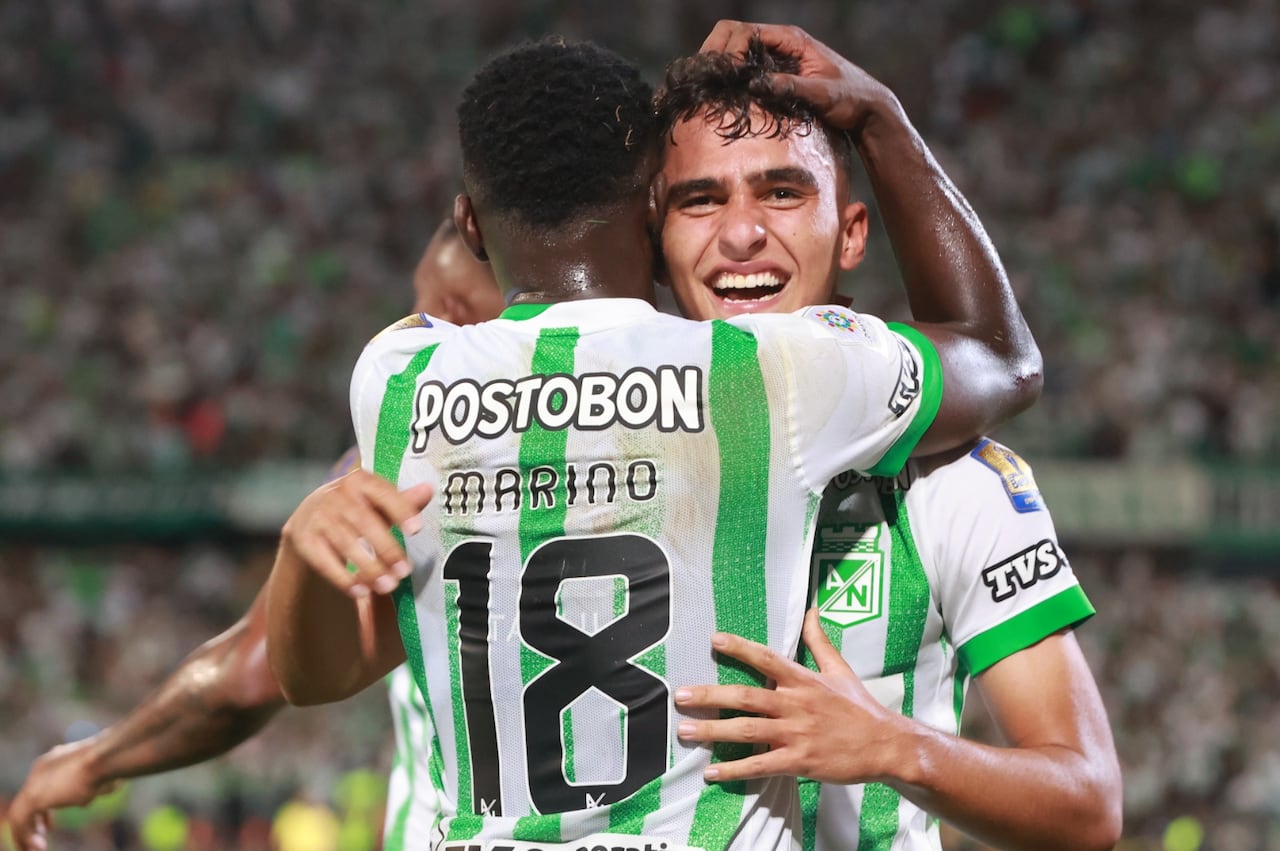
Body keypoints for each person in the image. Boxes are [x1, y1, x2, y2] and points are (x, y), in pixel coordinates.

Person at [264, 32, 1041, 851]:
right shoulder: (769, 371)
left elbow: (310, 677)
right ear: (651, 210)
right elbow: (1003, 357)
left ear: (470, 225)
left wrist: (297, 547)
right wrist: (879, 115)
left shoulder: (396, 377)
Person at [652, 23, 1122, 851]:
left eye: (782, 192)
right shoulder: (591, 447)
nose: (741, 233)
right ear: (655, 243)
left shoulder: (955, 478)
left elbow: (1087, 804)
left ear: (852, 233)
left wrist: (892, 746)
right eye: (701, 200)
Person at [2, 218, 498, 851]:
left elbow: (249, 673)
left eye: (434, 310)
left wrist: (94, 760)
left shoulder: (402, 465)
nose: (417, 330)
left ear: (458, 310)